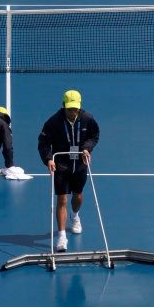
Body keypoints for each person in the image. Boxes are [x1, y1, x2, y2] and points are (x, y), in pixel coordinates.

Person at [38, 90, 100, 252]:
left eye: (76, 109)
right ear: (64, 106)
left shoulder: (88, 119)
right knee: (62, 200)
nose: (73, 112)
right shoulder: (53, 122)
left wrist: (87, 149)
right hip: (62, 165)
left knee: (78, 196)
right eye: (70, 109)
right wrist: (49, 159)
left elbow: (94, 136)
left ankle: (75, 216)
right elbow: (43, 143)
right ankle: (61, 236)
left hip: (80, 164)